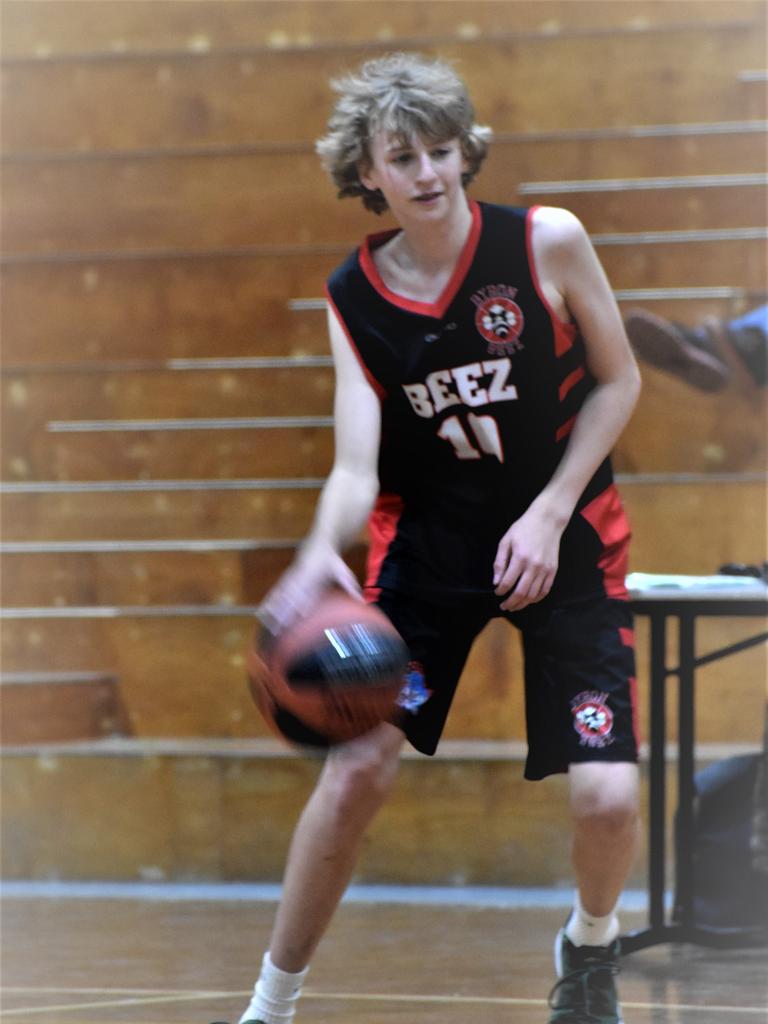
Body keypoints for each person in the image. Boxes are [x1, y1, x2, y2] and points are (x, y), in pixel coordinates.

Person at [226, 52, 642, 1024]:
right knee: (358, 764)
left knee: (608, 801)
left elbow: (620, 382)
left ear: (467, 154)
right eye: (402, 155)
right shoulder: (356, 294)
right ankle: (269, 1005)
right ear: (367, 171)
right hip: (431, 560)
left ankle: (589, 945)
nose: (426, 172)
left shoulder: (546, 243)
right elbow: (355, 465)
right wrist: (311, 558)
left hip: (566, 546)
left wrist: (548, 509)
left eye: (441, 150)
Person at [624, 305, 767, 394]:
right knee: (695, 340)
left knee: (700, 344)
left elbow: (751, 386)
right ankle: (683, 354)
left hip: (727, 359)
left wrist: (721, 342)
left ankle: (682, 353)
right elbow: (716, 326)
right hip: (713, 343)